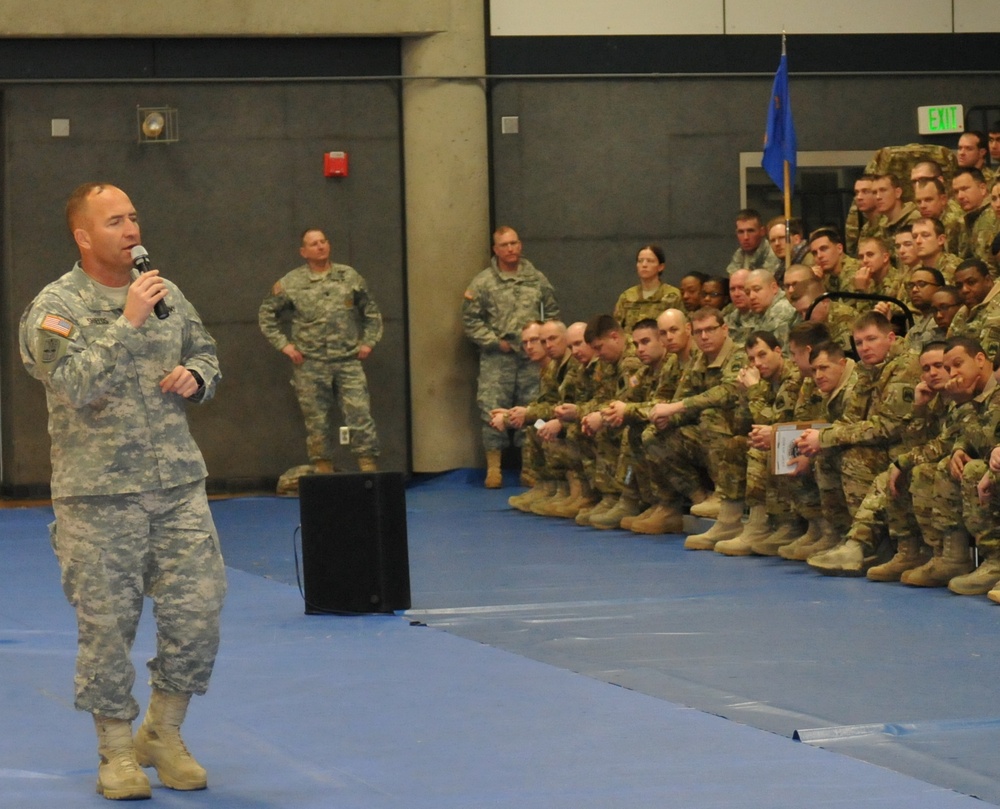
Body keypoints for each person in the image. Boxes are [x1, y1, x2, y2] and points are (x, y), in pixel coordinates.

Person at [19, 182, 226, 800]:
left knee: (200, 612)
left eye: (134, 217)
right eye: (115, 221)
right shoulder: (55, 309)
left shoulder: (167, 293)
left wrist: (198, 376)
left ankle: (164, 732)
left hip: (178, 485)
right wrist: (128, 323)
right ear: (84, 236)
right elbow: (73, 385)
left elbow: (208, 351)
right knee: (107, 630)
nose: (131, 230)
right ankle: (115, 751)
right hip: (98, 498)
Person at [259, 228, 383, 477]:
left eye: (323, 241)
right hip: (310, 364)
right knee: (317, 423)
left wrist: (369, 341)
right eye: (313, 244)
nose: (320, 246)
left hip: (347, 361)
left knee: (360, 416)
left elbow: (371, 311)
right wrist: (285, 345)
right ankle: (324, 474)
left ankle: (369, 471)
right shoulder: (292, 282)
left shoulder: (348, 277)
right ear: (303, 252)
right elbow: (266, 314)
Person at [461, 226, 559, 487]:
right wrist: (495, 342)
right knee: (491, 410)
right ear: (495, 249)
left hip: (532, 359)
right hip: (498, 359)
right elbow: (470, 321)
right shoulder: (483, 283)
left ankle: (531, 466)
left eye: (514, 243)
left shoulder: (536, 279)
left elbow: (551, 312)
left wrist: (542, 341)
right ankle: (494, 468)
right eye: (504, 245)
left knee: (534, 410)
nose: (511, 249)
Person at [725, 209, 781, 274]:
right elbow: (732, 276)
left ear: (762, 231)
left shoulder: (772, 251)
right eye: (741, 232)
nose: (745, 237)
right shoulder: (740, 253)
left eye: (750, 231)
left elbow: (765, 279)